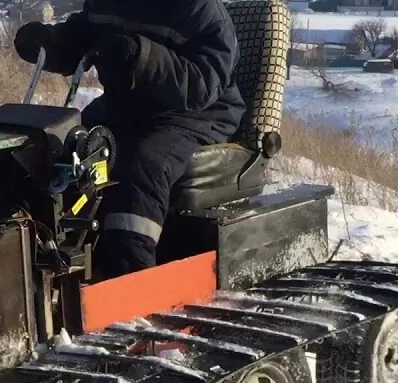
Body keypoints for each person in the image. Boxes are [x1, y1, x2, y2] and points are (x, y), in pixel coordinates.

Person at [14, 1, 244, 279]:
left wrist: (143, 58)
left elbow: (203, 83)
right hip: (125, 106)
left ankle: (129, 274)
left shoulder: (201, 10)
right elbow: (84, 35)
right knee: (64, 145)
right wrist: (49, 43)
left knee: (144, 163)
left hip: (194, 114)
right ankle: (44, 251)